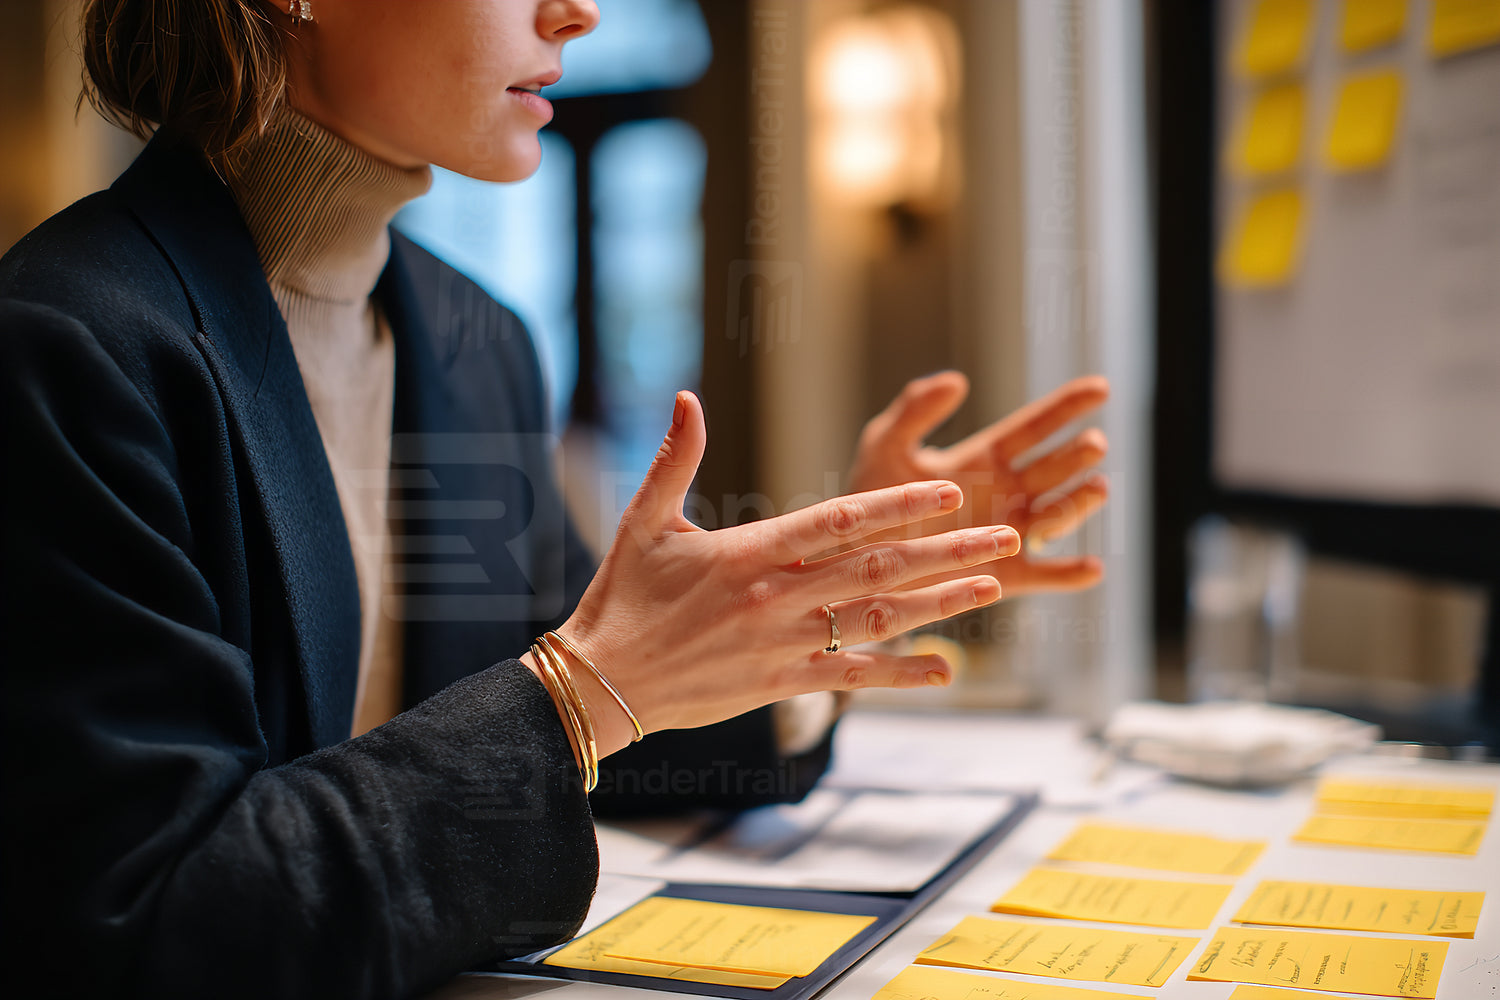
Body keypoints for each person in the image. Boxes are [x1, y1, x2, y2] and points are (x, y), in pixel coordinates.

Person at [0, 0, 1109, 996]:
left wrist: (830, 587)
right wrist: (577, 691)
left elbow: (583, 721)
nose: (578, 13)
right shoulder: (65, 346)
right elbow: (154, 921)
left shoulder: (477, 339)